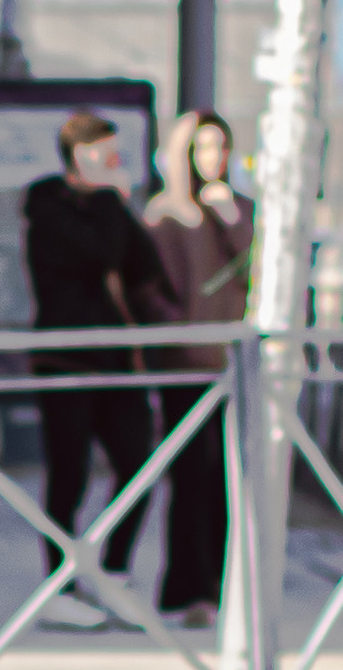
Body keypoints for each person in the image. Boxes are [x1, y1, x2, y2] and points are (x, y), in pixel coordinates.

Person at [24, 109, 166, 627]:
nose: (112, 163)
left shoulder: (110, 204)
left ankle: (115, 573)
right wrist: (110, 201)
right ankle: (59, 583)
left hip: (115, 358)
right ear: (76, 155)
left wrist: (117, 204)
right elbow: (96, 254)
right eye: (102, 153)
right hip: (64, 356)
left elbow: (144, 264)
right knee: (70, 472)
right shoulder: (45, 204)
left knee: (139, 464)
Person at [145, 108, 254, 624]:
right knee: (192, 475)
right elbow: (152, 289)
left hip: (238, 365)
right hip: (187, 364)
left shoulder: (239, 209)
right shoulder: (166, 215)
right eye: (206, 147)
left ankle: (226, 582)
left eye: (223, 147)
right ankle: (187, 589)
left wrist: (232, 218)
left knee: (233, 476)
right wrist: (179, 335)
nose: (216, 158)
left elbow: (258, 272)